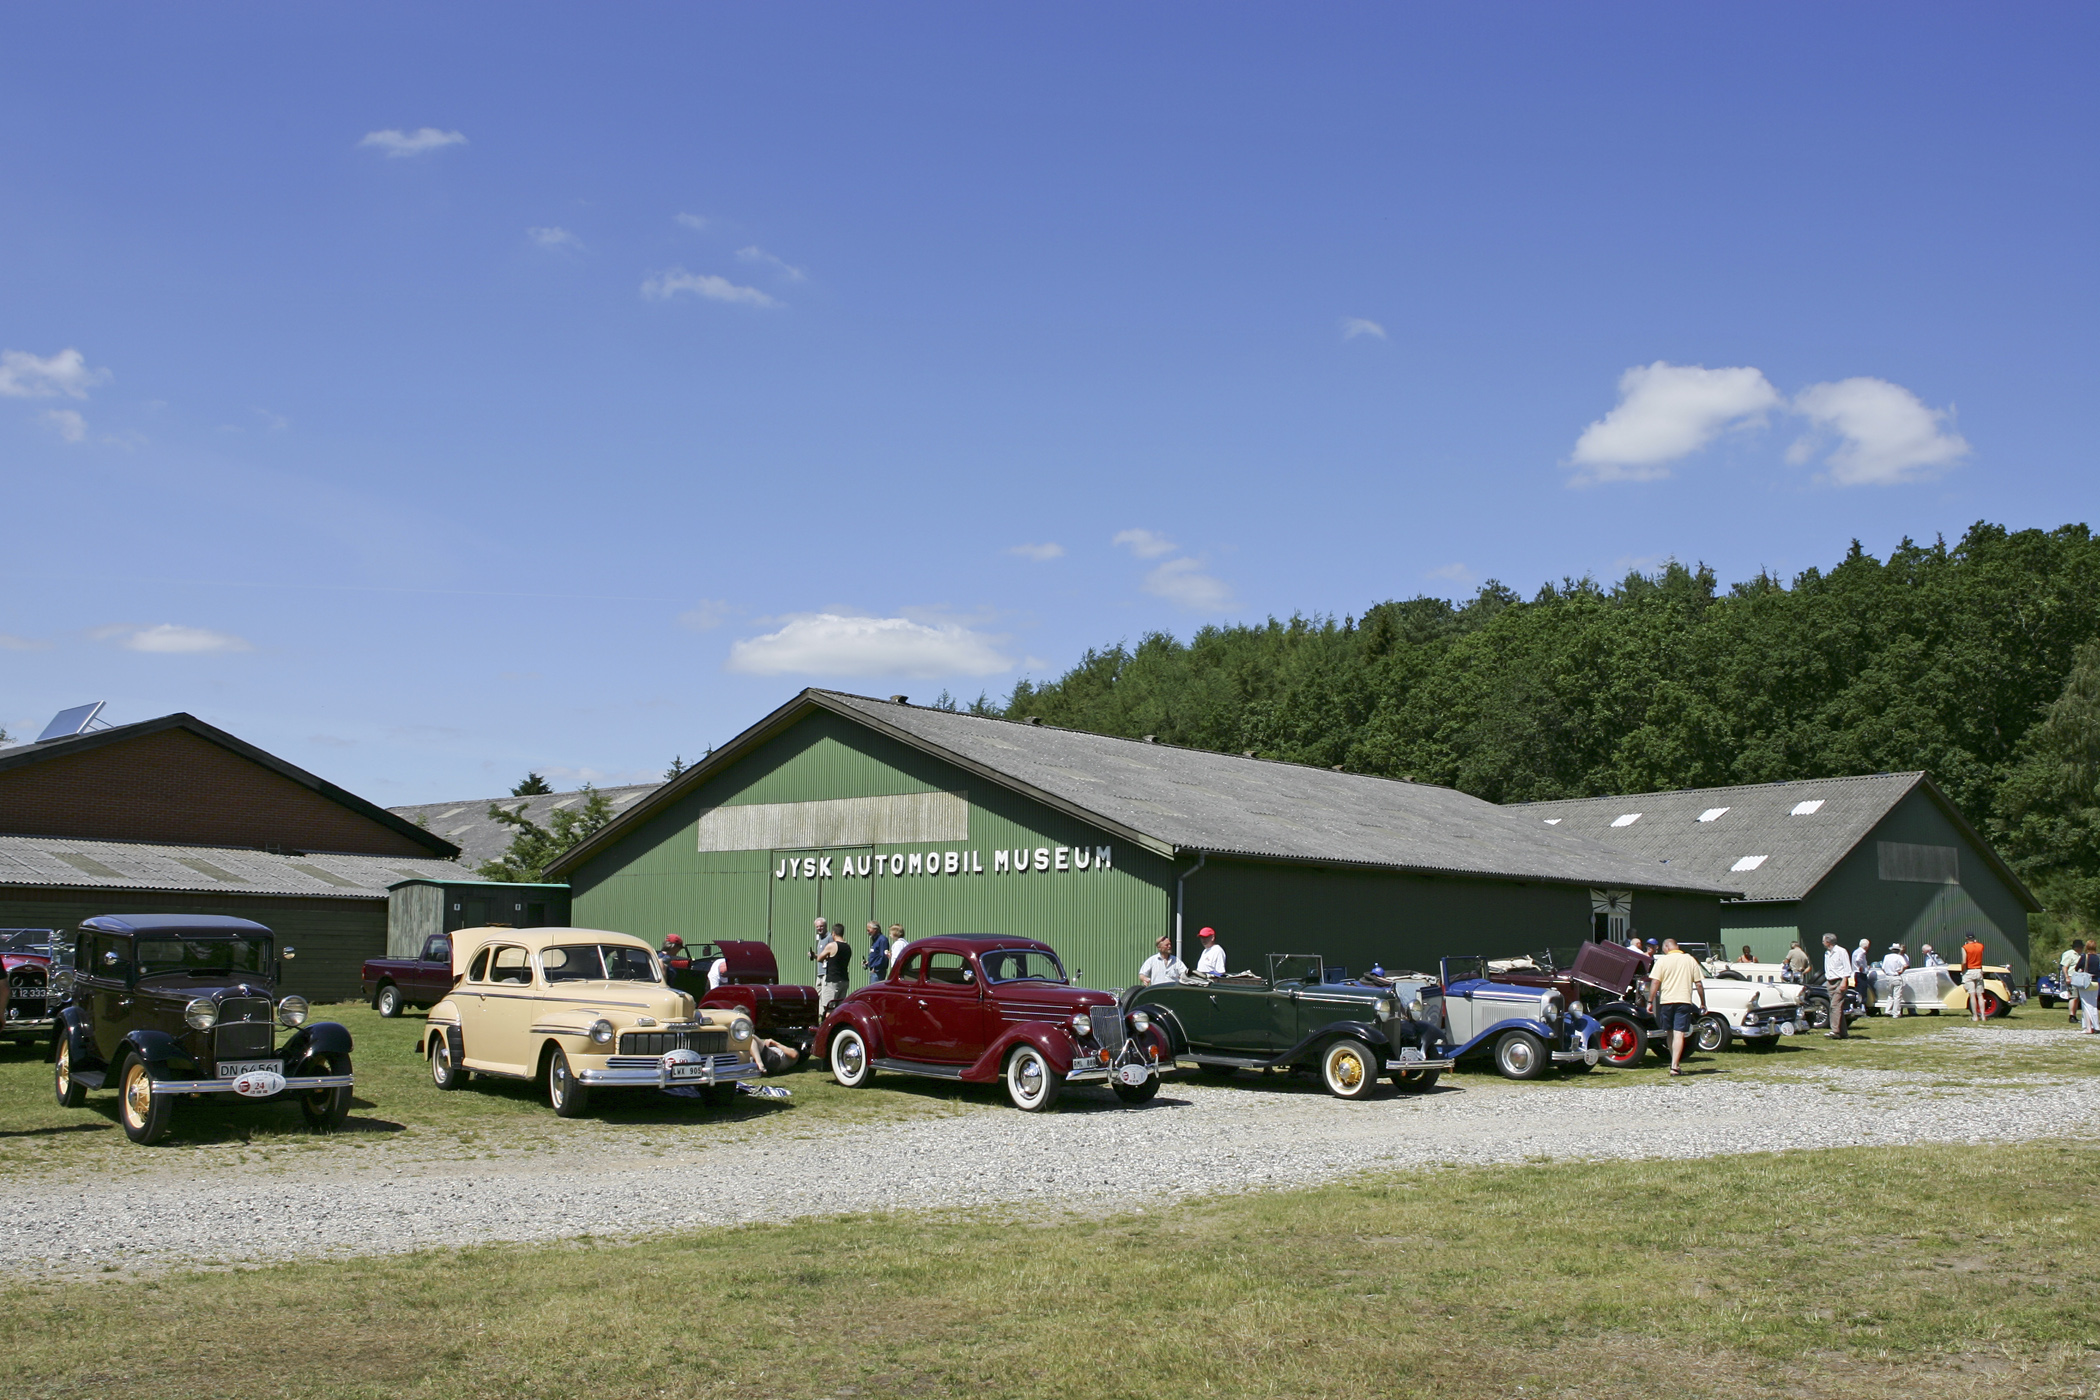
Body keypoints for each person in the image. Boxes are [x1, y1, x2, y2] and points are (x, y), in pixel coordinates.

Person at [1646, 937, 1707, 1076]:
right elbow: (1698, 984)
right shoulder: (1690, 960)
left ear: (1667, 947)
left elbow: (1655, 982)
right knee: (1679, 1033)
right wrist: (1703, 1002)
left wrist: (1650, 1001)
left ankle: (1674, 1063)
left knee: (1669, 1032)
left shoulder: (1662, 961)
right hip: (1683, 1000)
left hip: (1666, 1001)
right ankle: (1675, 1065)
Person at [810, 922, 852, 1018]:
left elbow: (819, 958)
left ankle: (827, 1026)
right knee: (839, 1008)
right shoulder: (847, 947)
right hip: (844, 980)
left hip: (833, 980)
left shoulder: (832, 945)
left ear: (833, 933)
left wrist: (824, 956)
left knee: (829, 1008)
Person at [1821, 932, 1854, 1039]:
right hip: (1830, 982)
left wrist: (1844, 981)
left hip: (1839, 981)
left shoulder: (1841, 951)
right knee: (1837, 1007)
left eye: (1823, 940)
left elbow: (1847, 968)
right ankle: (1843, 1032)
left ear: (1828, 941)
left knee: (1834, 1006)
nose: (1822, 942)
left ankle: (1835, 1030)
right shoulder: (1827, 953)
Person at [1961, 932, 1989, 1023]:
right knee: (1980, 994)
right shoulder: (1980, 946)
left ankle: (1975, 1016)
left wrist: (1962, 970)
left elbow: (1964, 961)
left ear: (1966, 938)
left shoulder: (1965, 947)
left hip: (1970, 970)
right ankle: (1983, 1016)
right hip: (1978, 970)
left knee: (1972, 994)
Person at [1880, 942, 1910, 1017]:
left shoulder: (1886, 957)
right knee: (1897, 996)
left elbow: (1883, 968)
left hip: (1888, 977)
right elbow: (1906, 965)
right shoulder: (1899, 957)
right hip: (1896, 976)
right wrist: (1901, 971)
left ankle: (1888, 1011)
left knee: (1890, 995)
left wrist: (1887, 973)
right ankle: (1896, 1013)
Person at [2079, 941, 2100, 1035]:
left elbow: (2077, 967)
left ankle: (2089, 1027)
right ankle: (2095, 1025)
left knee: (2086, 1004)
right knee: (2093, 1004)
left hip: (2086, 982)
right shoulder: (2098, 957)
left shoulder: (2085, 957)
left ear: (2086, 947)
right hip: (2095, 983)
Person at [2063, 941, 2085, 1025]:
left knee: (2078, 998)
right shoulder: (2069, 954)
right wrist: (2067, 977)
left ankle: (2075, 1015)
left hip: (2080, 977)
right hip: (2072, 976)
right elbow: (2065, 967)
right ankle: (2072, 1015)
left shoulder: (2081, 955)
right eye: (2081, 947)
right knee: (2074, 997)